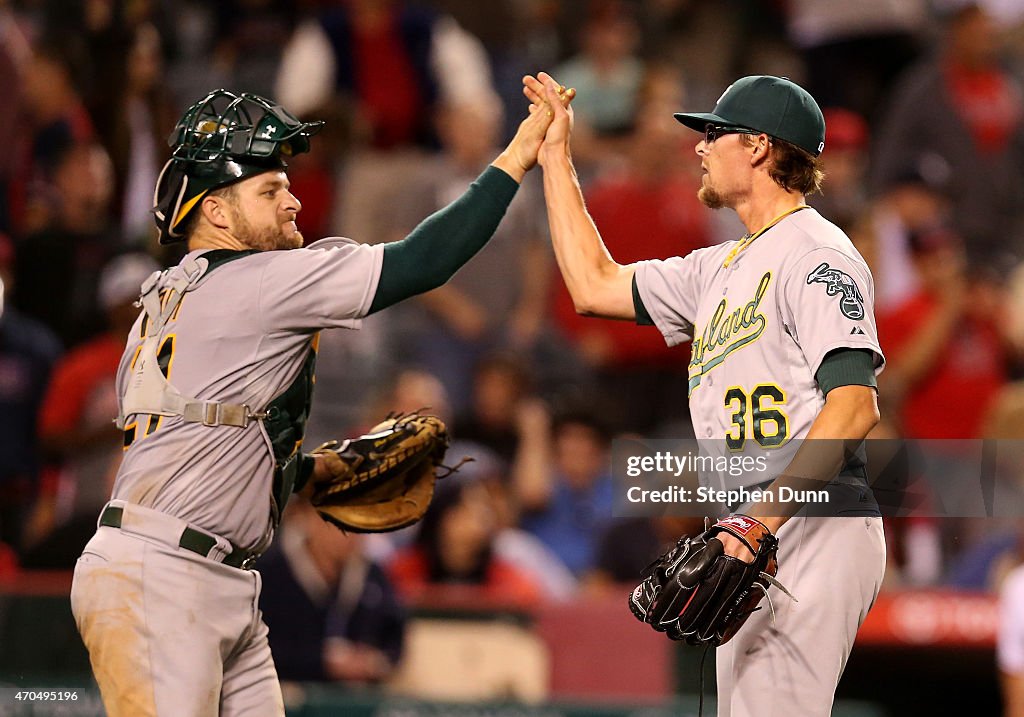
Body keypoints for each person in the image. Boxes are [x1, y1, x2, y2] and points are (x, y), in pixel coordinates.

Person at [69, 85, 568, 717]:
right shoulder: (260, 279)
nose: (293, 199)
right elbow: (424, 261)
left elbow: (207, 452)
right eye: (269, 190)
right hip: (165, 579)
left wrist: (315, 470)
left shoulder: (160, 301)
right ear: (217, 212)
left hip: (191, 571)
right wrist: (518, 156)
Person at [525, 71, 886, 716]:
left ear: (758, 147)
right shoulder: (720, 266)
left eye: (714, 134)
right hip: (755, 524)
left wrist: (757, 524)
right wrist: (556, 158)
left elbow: (854, 403)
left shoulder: (819, 253)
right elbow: (593, 285)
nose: (699, 147)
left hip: (810, 519)